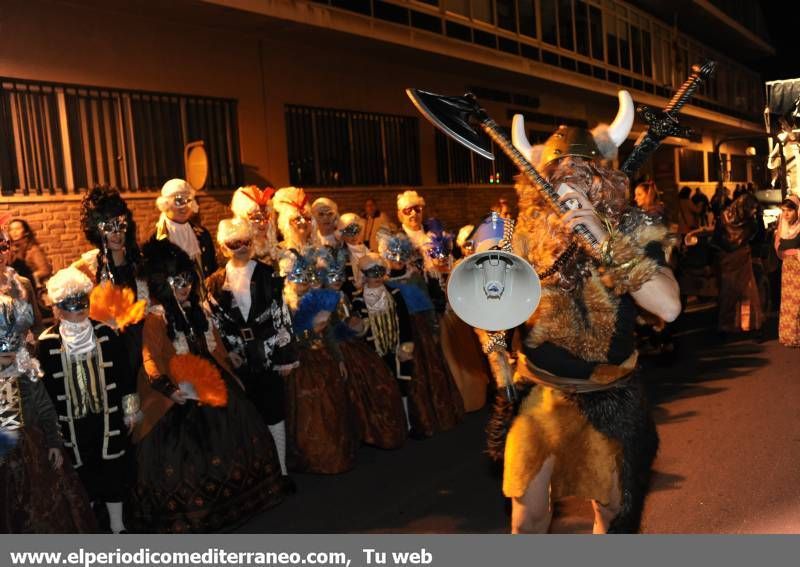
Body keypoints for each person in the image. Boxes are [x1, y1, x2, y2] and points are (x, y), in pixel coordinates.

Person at [486, 93, 680, 533]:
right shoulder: (524, 231)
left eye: (582, 178)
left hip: (609, 394)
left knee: (611, 516)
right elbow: (490, 306)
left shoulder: (632, 227)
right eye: (558, 179)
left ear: (603, 180)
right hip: (539, 391)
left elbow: (668, 305)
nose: (569, 190)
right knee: (527, 517)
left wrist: (604, 239)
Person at [131, 240, 284, 532]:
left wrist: (229, 360)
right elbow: (150, 358)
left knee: (237, 429)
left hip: (212, 382)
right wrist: (168, 389)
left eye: (188, 280)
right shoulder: (156, 318)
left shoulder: (196, 311)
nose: (185, 287)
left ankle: (242, 499)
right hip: (178, 391)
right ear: (163, 283)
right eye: (178, 281)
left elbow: (214, 347)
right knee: (188, 453)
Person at [38, 267, 140, 533]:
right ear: (58, 309)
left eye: (83, 301)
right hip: (71, 423)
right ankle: (91, 524)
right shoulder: (47, 343)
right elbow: (45, 390)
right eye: (71, 304)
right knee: (83, 473)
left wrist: (130, 410)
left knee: (112, 468)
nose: (79, 308)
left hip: (107, 417)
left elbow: (124, 374)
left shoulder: (105, 333)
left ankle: (118, 526)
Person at [205, 218, 298, 488]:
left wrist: (285, 356)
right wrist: (226, 354)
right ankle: (259, 474)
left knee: (274, 412)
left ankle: (281, 471)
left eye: (246, 241)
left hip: (268, 353)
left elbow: (282, 316)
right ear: (224, 247)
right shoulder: (213, 282)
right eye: (234, 244)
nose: (242, 248)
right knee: (249, 418)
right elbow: (214, 323)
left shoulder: (269, 274)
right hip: (238, 359)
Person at [0, 293, 96, 533]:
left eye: (11, 351)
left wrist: (53, 442)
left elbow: (44, 406)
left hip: (35, 451)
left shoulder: (25, 371)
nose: (7, 357)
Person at [281, 250, 357, 473]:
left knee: (333, 405)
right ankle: (314, 457)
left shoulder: (319, 299)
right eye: (298, 279)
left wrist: (339, 359)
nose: (303, 284)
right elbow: (287, 339)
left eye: (306, 279)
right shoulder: (286, 306)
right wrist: (309, 331)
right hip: (301, 363)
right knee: (309, 411)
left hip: (324, 358)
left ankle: (337, 452)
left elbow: (330, 334)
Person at [150, 178, 218, 289]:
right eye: (178, 201)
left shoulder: (202, 234)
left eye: (188, 200)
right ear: (166, 204)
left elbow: (212, 270)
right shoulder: (157, 239)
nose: (184, 207)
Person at [713, 190, 764, 337]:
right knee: (748, 293)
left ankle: (727, 326)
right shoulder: (750, 223)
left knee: (728, 293)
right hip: (740, 259)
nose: (753, 211)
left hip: (727, 259)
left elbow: (718, 238)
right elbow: (758, 236)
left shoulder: (723, 217)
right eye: (752, 208)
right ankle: (750, 325)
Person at [230, 185, 278, 265]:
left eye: (266, 217)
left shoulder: (274, 249)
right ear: (244, 220)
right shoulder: (241, 253)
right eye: (256, 218)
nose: (262, 223)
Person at [774, 196, 800, 347]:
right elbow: (778, 245)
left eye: (789, 210)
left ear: (797, 210)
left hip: (799, 265)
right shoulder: (782, 225)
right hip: (788, 268)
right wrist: (787, 253)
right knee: (788, 303)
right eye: (783, 211)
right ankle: (789, 336)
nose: (786, 214)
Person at [7, 219, 52, 291]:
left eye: (18, 229)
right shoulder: (9, 249)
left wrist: (29, 277)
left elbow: (45, 270)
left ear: (26, 232)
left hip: (31, 288)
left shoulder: (32, 249)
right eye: (11, 229)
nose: (14, 232)